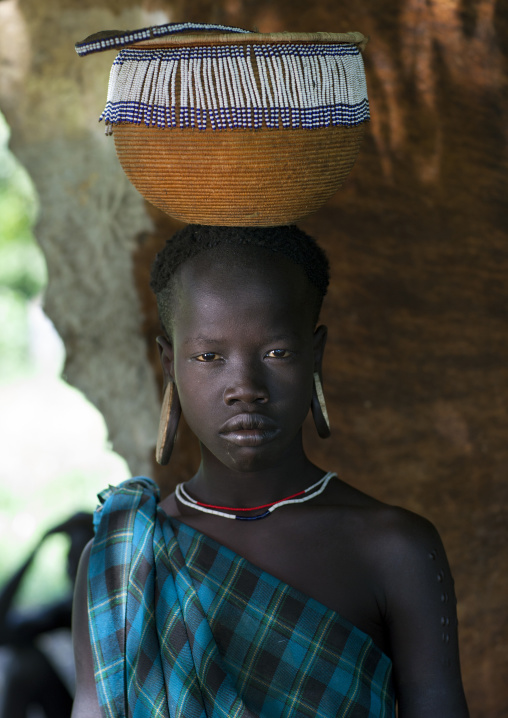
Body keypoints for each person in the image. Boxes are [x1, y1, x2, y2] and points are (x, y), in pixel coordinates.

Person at [71, 224, 469, 718]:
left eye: (276, 352)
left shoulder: (395, 547)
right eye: (209, 356)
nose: (244, 386)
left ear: (315, 356)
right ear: (170, 364)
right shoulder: (121, 561)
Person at [0, 512, 93, 718]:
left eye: (79, 558)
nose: (70, 569)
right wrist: (40, 544)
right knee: (26, 663)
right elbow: (3, 631)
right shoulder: (69, 610)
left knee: (26, 667)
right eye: (68, 559)